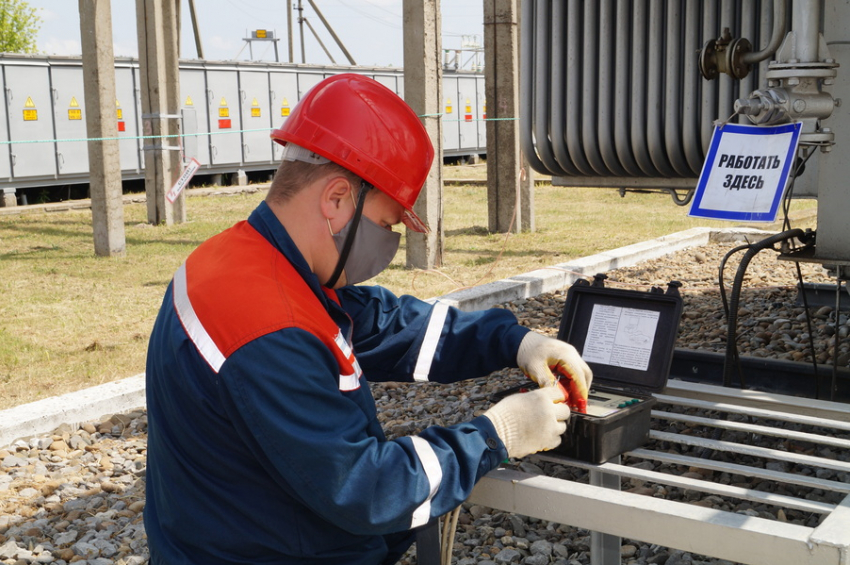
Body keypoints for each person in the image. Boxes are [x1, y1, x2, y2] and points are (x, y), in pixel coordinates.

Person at [144, 73, 592, 565]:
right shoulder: (268, 328)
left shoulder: (246, 260)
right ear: (337, 199)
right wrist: (496, 435)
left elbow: (387, 324)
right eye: (386, 223)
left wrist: (515, 341)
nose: (390, 244)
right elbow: (365, 489)